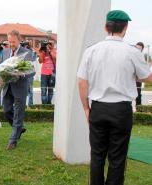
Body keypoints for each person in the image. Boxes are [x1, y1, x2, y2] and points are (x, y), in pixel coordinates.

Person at [77, 10, 152, 185]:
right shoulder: (132, 52)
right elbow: (146, 76)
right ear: (125, 28)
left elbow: (82, 82)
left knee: (97, 155)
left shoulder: (91, 51)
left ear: (106, 27)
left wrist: (86, 108)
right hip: (121, 110)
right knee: (117, 158)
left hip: (98, 107)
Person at [1, 30, 33, 150]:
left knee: (18, 113)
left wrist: (21, 73)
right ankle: (19, 128)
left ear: (19, 40)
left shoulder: (27, 53)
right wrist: (0, 77)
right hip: (7, 86)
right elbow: (2, 67)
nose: (11, 44)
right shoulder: (5, 52)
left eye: (13, 42)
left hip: (20, 87)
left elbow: (32, 71)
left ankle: (13, 140)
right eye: (9, 42)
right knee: (6, 110)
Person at [37, 40, 56, 104]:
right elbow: (40, 61)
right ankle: (44, 105)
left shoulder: (54, 51)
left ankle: (49, 103)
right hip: (44, 74)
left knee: (50, 90)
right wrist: (41, 52)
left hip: (52, 74)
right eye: (47, 44)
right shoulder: (43, 51)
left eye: (50, 43)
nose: (49, 45)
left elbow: (55, 58)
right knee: (43, 90)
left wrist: (50, 50)